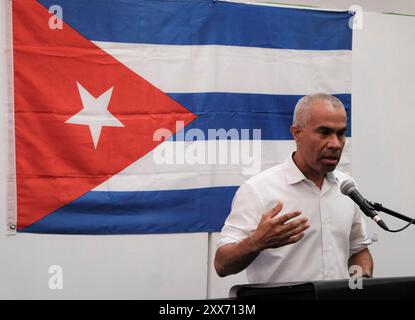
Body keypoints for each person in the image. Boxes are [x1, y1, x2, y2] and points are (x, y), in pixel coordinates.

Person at [214, 93, 373, 284]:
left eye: (340, 133)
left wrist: (360, 282)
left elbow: (358, 250)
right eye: (324, 132)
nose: (335, 144)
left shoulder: (346, 188)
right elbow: (222, 264)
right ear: (297, 133)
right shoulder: (259, 190)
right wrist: (256, 242)